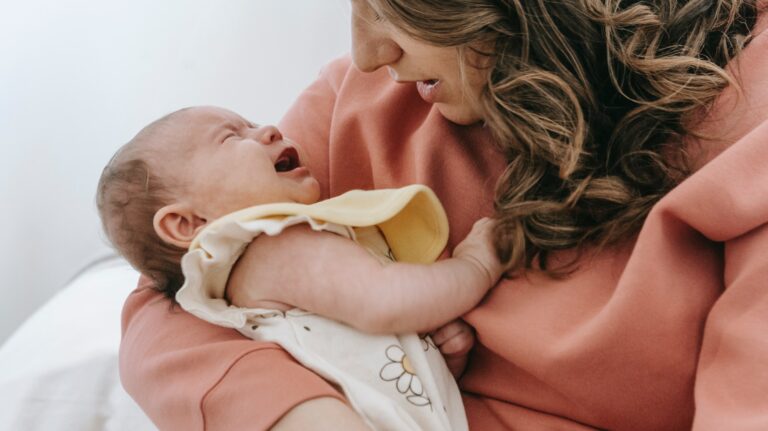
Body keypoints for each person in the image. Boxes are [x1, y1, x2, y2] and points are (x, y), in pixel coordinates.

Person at [117, 0, 768, 429]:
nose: (368, 54)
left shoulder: (747, 110)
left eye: (387, 7)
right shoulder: (369, 97)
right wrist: (306, 414)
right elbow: (174, 289)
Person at [97, 105, 503, 430]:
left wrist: (431, 359)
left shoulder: (268, 266)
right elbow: (386, 301)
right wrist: (477, 265)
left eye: (252, 123)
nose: (270, 129)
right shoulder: (273, 246)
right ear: (187, 224)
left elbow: (354, 360)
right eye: (231, 137)